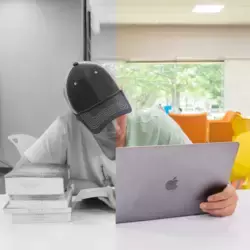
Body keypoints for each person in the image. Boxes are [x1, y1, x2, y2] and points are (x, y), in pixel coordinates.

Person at [16, 62, 238, 216]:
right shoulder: (66, 129)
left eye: (117, 111)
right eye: (100, 121)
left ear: (123, 96)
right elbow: (19, 180)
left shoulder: (156, 124)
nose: (115, 128)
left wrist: (224, 194)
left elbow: (205, 177)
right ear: (80, 121)